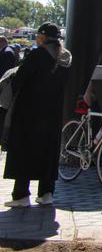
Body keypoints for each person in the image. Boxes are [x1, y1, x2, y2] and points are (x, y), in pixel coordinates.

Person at [1, 23, 71, 207]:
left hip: (29, 112)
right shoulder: (65, 57)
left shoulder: (37, 54)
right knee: (49, 151)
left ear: (42, 37)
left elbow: (21, 78)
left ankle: (21, 195)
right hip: (54, 113)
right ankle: (46, 193)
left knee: (24, 151)